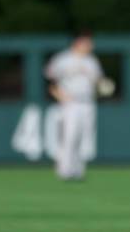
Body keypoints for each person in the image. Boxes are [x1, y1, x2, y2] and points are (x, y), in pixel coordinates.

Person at [45, 31, 108, 180]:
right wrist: (59, 96)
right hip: (70, 102)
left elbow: (99, 82)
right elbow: (51, 81)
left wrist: (103, 88)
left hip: (87, 102)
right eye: (87, 43)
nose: (90, 46)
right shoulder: (62, 59)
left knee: (83, 137)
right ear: (77, 43)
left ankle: (78, 170)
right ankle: (64, 170)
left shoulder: (92, 61)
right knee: (70, 136)